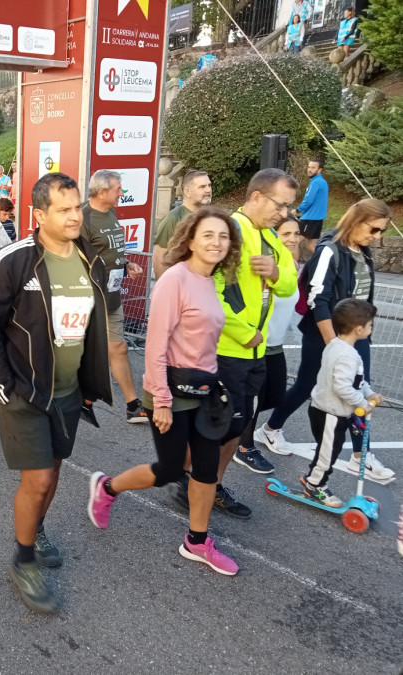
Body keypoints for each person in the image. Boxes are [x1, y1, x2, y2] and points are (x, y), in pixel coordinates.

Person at [0, 173, 113, 613]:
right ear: (40, 215)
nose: (76, 216)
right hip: (24, 392)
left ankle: (36, 528)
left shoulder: (91, 258)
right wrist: (3, 387)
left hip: (69, 393)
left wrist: (91, 385)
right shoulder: (13, 260)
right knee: (36, 480)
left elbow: (93, 326)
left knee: (51, 474)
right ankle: (24, 558)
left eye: (77, 208)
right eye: (65, 209)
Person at [88, 207, 242, 575]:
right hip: (171, 390)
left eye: (223, 236)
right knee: (170, 469)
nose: (216, 242)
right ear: (190, 239)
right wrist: (161, 400)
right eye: (208, 235)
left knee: (205, 469)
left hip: (203, 390)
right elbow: (156, 344)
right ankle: (108, 488)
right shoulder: (176, 279)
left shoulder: (212, 280)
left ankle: (197, 541)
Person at [178, 169, 298, 518]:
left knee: (235, 428)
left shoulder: (272, 239)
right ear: (257, 196)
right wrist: (245, 332)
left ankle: (207, 484)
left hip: (256, 353)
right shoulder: (227, 232)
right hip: (226, 351)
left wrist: (276, 274)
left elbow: (291, 283)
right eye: (281, 205)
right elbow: (206, 293)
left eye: (290, 207)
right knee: (217, 427)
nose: (285, 214)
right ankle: (190, 479)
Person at [260, 198, 394, 480]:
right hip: (326, 336)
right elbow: (317, 300)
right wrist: (335, 345)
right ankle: (270, 429)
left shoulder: (363, 250)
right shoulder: (329, 251)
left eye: (381, 231)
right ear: (357, 222)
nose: (376, 237)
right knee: (306, 384)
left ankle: (360, 456)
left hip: (357, 335)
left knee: (358, 389)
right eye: (373, 229)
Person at [301, 299, 382, 505]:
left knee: (329, 449)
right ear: (358, 329)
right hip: (330, 412)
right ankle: (314, 485)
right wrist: (363, 404)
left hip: (330, 410)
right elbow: (343, 387)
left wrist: (369, 393)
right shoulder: (347, 355)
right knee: (328, 453)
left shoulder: (336, 346)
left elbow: (357, 381)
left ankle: (314, 478)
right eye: (370, 325)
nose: (371, 328)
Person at [80, 170, 146, 423]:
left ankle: (132, 405)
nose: (122, 193)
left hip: (112, 296)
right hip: (89, 298)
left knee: (118, 347)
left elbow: (110, 250)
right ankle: (75, 399)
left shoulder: (111, 212)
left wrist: (126, 263)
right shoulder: (83, 218)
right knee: (80, 351)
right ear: (102, 192)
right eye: (118, 189)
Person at [237, 217, 301, 460]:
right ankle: (244, 446)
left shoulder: (291, 264)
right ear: (274, 237)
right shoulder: (265, 264)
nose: (292, 239)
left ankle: (234, 419)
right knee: (257, 397)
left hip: (276, 343)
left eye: (296, 233)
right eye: (286, 234)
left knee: (275, 395)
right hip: (258, 342)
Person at [153, 170, 212, 278]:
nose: (208, 190)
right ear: (187, 192)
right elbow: (159, 256)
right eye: (202, 187)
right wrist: (164, 289)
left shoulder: (210, 217)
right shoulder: (173, 218)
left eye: (209, 185)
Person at [295, 158, 329, 259]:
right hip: (318, 219)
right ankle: (326, 261)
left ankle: (293, 265)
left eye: (313, 168)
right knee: (310, 246)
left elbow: (308, 201)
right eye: (309, 167)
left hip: (310, 218)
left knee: (295, 242)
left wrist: (297, 210)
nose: (309, 169)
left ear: (319, 170)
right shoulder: (323, 182)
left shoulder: (315, 183)